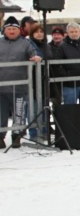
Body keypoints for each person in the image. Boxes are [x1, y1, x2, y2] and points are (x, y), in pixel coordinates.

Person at [0, 17, 41, 148]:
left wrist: (36, 56)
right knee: (1, 114)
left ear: (18, 30)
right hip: (2, 88)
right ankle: (0, 137)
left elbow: (35, 52)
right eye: (9, 29)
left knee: (19, 113)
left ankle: (17, 136)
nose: (11, 31)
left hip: (19, 87)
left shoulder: (25, 43)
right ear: (4, 30)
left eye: (14, 29)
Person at [51, 22, 80, 105]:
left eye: (76, 31)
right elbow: (58, 64)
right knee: (70, 108)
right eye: (71, 32)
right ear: (68, 33)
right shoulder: (62, 47)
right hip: (70, 84)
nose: (74, 34)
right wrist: (66, 76)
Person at [27, 23, 52, 140]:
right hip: (32, 80)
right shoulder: (29, 44)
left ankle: (44, 130)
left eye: (41, 32)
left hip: (44, 80)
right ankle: (33, 132)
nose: (39, 34)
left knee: (44, 106)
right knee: (33, 107)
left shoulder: (46, 45)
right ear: (32, 34)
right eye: (36, 32)